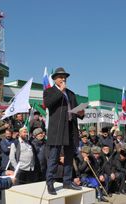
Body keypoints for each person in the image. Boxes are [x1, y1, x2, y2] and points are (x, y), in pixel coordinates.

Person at [43, 67, 84, 195]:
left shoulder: (71, 93)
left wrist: (81, 112)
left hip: (70, 128)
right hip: (57, 130)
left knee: (69, 157)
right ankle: (50, 182)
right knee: (54, 157)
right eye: (60, 76)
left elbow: (76, 109)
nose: (63, 79)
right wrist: (60, 91)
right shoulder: (49, 91)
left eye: (65, 76)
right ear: (55, 79)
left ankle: (67, 182)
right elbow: (48, 104)